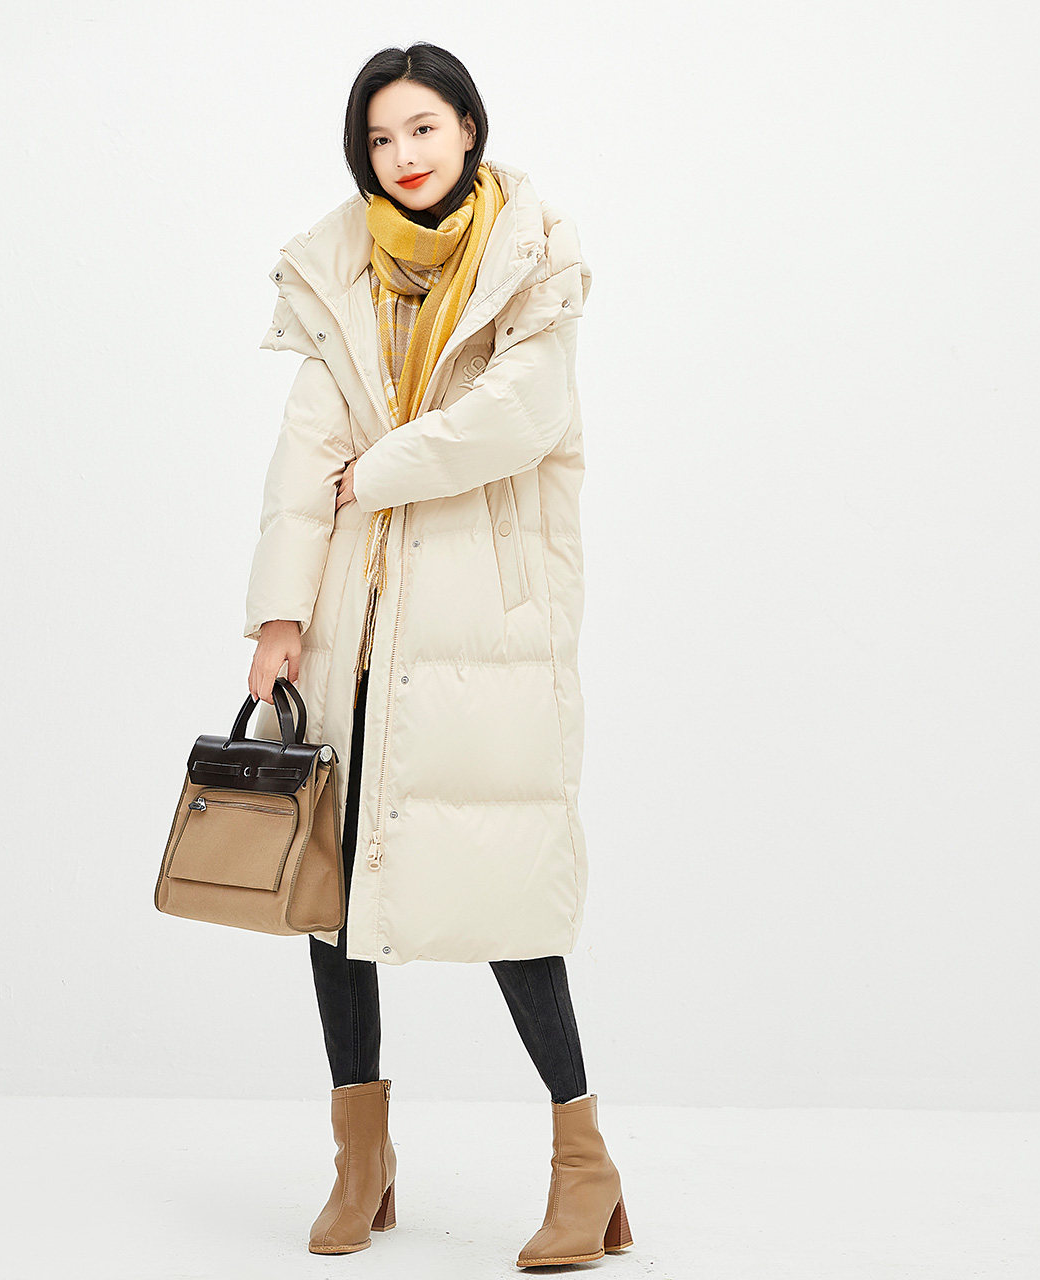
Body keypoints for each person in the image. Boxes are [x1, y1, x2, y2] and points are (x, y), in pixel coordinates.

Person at [242, 42, 630, 1268]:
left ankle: (583, 1164)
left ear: (467, 126)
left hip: (483, 630)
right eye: (379, 138)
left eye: (420, 128)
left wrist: (379, 469)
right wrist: (278, 618)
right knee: (333, 895)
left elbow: (518, 419)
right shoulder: (340, 271)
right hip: (355, 628)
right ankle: (361, 1158)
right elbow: (303, 458)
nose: (401, 156)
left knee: (508, 888)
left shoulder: (533, 258)